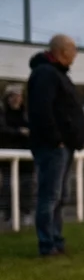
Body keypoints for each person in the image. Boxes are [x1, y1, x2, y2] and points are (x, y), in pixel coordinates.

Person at [26, 35, 84, 257]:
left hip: (62, 147)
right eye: (73, 50)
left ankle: (56, 239)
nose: (75, 56)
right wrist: (56, 139)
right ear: (63, 51)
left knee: (59, 197)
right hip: (53, 147)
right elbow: (42, 110)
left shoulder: (56, 74)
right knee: (50, 196)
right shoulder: (46, 74)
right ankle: (47, 242)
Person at [0, 84, 33, 226]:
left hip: (26, 157)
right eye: (13, 96)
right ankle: (6, 214)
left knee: (26, 186)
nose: (16, 99)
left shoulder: (27, 114)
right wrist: (19, 132)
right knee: (7, 186)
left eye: (18, 96)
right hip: (8, 156)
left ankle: (25, 212)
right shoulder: (3, 114)